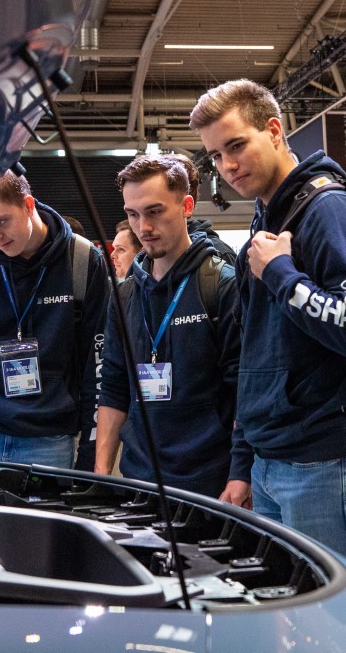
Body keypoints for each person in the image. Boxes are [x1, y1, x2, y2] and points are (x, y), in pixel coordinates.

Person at [191, 79, 346, 586]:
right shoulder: (268, 217)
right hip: (274, 462)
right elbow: (255, 356)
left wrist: (281, 274)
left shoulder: (328, 209)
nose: (227, 166)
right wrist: (244, 462)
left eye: (236, 146)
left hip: (331, 462)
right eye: (215, 156)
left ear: (275, 130)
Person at [95, 155, 250, 500]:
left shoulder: (222, 285)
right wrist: (102, 471)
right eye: (133, 214)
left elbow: (243, 389)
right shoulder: (125, 294)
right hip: (139, 480)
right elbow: (114, 385)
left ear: (186, 206)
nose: (143, 227)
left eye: (154, 211)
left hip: (212, 483)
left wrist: (241, 474)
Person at [0, 171, 109, 468]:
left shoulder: (82, 260)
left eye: (0, 221)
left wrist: (90, 457)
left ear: (28, 205)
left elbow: (98, 366)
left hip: (47, 442)